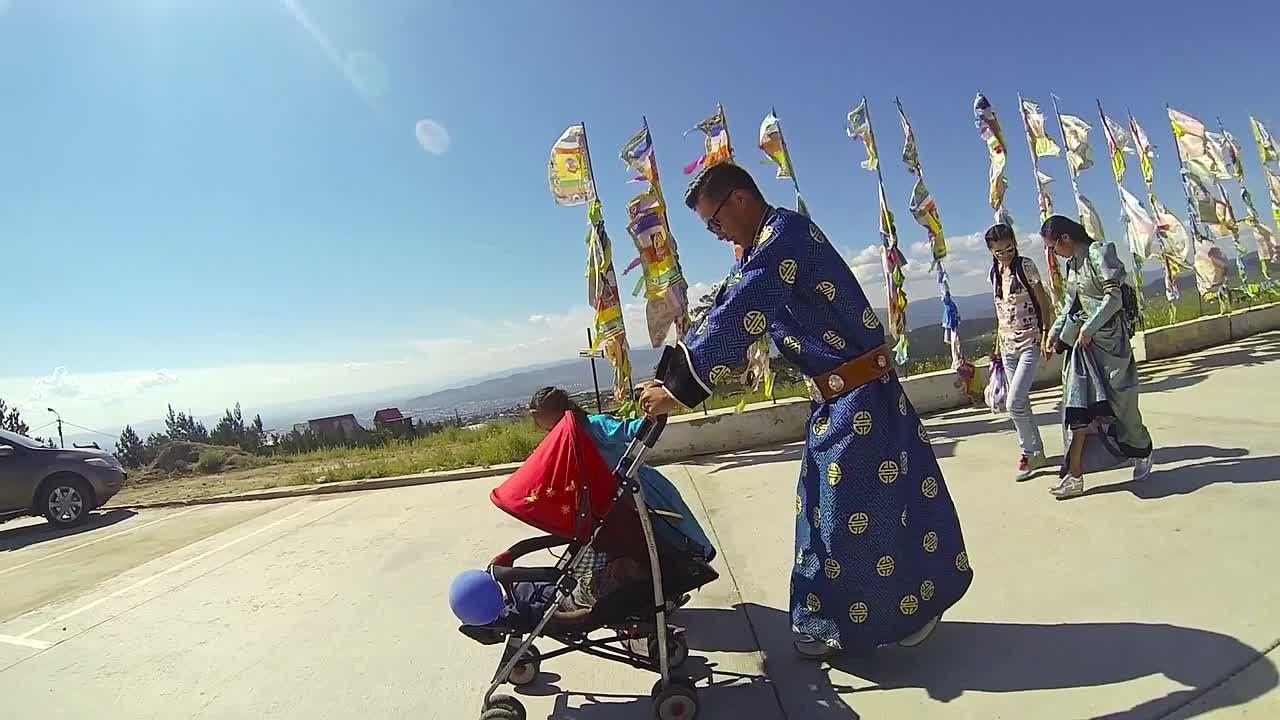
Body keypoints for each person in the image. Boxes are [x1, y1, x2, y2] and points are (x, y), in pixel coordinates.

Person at [637, 162, 972, 659]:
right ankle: (826, 621)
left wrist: (681, 391)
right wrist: (669, 379)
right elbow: (728, 301)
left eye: (715, 222)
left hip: (862, 401)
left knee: (855, 519)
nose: (717, 233)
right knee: (821, 512)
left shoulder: (783, 238)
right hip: (836, 402)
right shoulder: (764, 247)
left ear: (740, 199)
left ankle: (907, 613)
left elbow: (740, 309)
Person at [1041, 215, 1154, 499]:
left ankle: (1141, 449)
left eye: (1053, 246)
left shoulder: (1098, 252)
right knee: (1080, 408)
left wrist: (1090, 328)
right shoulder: (1073, 265)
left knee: (1120, 402)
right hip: (1084, 346)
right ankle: (1074, 474)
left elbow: (1112, 297)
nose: (1054, 253)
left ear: (1065, 238)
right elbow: (1071, 303)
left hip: (1108, 342)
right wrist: (1055, 332)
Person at [985, 223, 1056, 480]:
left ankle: (1029, 451)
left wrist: (1047, 332)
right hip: (1007, 345)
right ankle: (1036, 452)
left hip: (1030, 342)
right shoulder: (994, 273)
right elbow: (1001, 311)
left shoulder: (1025, 267)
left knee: (1014, 402)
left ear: (1014, 243)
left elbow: (1042, 300)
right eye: (998, 252)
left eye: (1008, 249)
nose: (1004, 255)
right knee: (1021, 402)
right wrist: (996, 344)